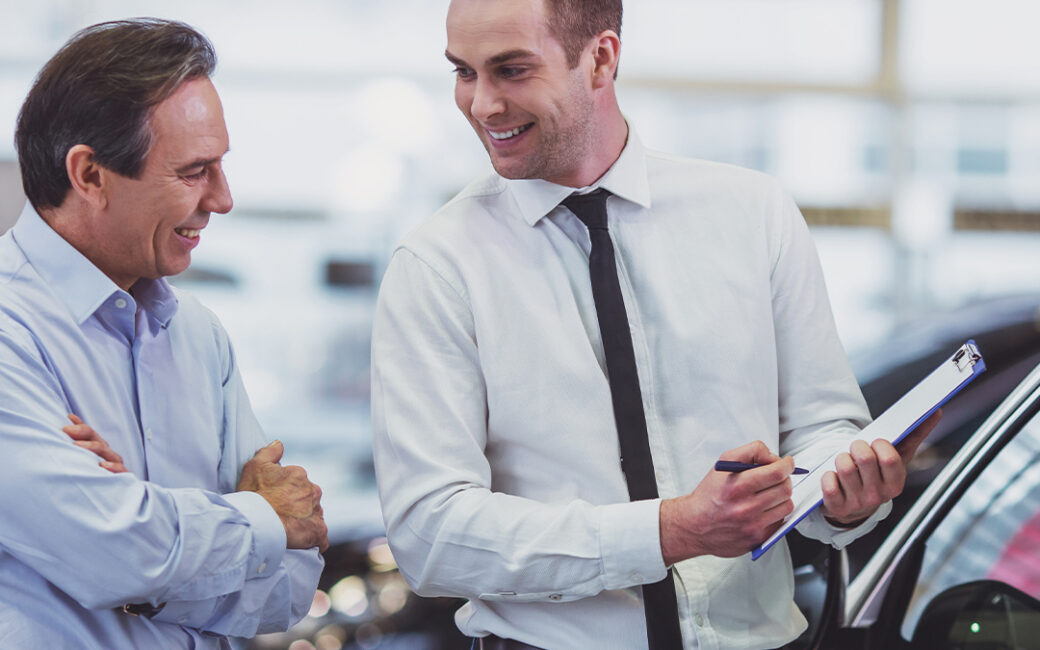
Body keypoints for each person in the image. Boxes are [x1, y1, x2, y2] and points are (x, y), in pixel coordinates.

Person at [371, 1, 939, 649]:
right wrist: (672, 531)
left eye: (511, 70)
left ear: (602, 57)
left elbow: (821, 431)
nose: (482, 105)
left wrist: (848, 494)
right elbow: (430, 537)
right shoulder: (438, 265)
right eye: (464, 73)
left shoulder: (753, 214)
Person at [0, 19, 327, 648]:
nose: (223, 198)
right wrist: (255, 522)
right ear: (90, 175)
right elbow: (111, 550)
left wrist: (143, 550)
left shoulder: (199, 336)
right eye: (194, 171)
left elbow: (290, 580)